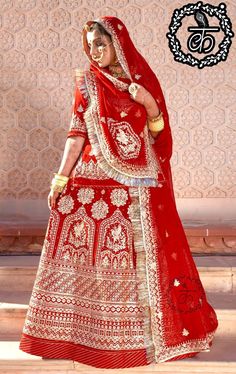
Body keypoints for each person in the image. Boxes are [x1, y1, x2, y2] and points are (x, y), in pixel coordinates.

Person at [19, 16, 218, 369]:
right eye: (91, 44)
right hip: (90, 179)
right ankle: (72, 334)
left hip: (135, 184)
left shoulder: (142, 82)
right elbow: (76, 132)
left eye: (101, 44)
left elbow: (160, 138)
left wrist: (149, 104)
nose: (95, 51)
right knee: (79, 243)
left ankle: (136, 339)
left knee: (130, 257)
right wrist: (60, 180)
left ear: (118, 45)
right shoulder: (88, 84)